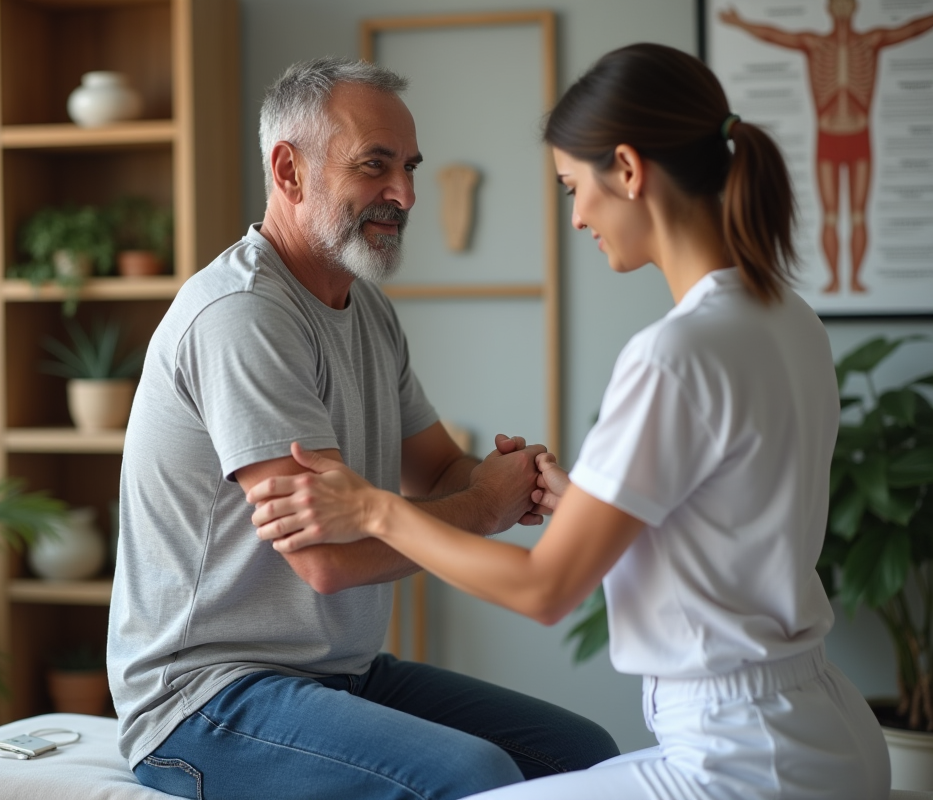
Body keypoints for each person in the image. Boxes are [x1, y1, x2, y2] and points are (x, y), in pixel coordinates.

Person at [249, 43, 891, 800]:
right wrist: (586, 500)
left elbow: (544, 590)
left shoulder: (674, 353)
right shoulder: (787, 318)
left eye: (572, 187)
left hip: (737, 759)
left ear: (627, 169)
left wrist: (372, 507)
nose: (579, 215)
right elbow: (725, 519)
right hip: (830, 732)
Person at [106, 56, 619, 800]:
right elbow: (326, 560)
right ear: (288, 171)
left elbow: (440, 471)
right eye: (375, 166)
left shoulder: (366, 309)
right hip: (203, 701)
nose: (404, 193)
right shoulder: (243, 315)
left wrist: (508, 478)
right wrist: (484, 508)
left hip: (337, 675)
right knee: (475, 775)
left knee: (584, 754)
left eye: (408, 167)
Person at [720, 0, 933, 294]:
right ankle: (835, 279)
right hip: (827, 138)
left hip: (860, 136)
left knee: (858, 213)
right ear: (830, 8)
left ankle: (855, 279)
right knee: (830, 213)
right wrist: (741, 23)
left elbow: (911, 29)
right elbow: (774, 34)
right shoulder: (814, 43)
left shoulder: (872, 41)